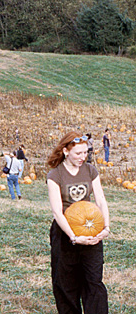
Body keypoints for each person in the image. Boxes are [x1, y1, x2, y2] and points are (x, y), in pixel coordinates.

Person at [47, 132, 110, 313]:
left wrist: (106, 227)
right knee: (66, 283)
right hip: (65, 233)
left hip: (91, 228)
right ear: (66, 151)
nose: (83, 157)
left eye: (86, 153)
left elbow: (100, 200)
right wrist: (74, 237)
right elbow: (57, 212)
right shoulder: (55, 175)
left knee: (93, 281)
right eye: (78, 153)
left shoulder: (90, 170)